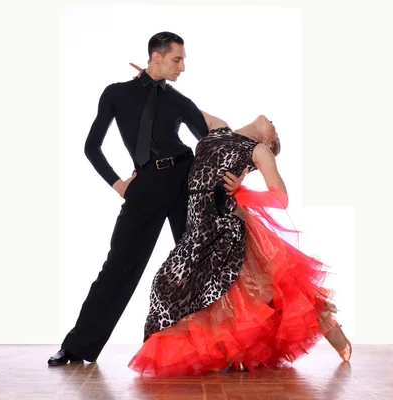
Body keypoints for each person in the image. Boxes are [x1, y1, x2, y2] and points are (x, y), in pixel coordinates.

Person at [48, 32, 246, 366]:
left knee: (202, 265)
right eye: (177, 59)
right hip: (146, 184)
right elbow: (91, 147)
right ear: (156, 56)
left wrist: (237, 174)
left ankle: (224, 349)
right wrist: (117, 184)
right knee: (118, 266)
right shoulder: (116, 94)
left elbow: (213, 141)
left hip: (187, 182)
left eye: (183, 60)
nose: (182, 66)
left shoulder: (177, 99)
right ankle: (77, 346)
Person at [127, 113, 352, 376]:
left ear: (267, 140)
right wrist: (151, 82)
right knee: (173, 286)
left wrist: (242, 193)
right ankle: (224, 353)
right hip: (199, 228)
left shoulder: (259, 150)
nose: (274, 123)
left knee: (266, 291)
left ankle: (329, 329)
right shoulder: (219, 128)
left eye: (275, 131)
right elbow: (182, 109)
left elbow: (280, 198)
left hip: (226, 226)